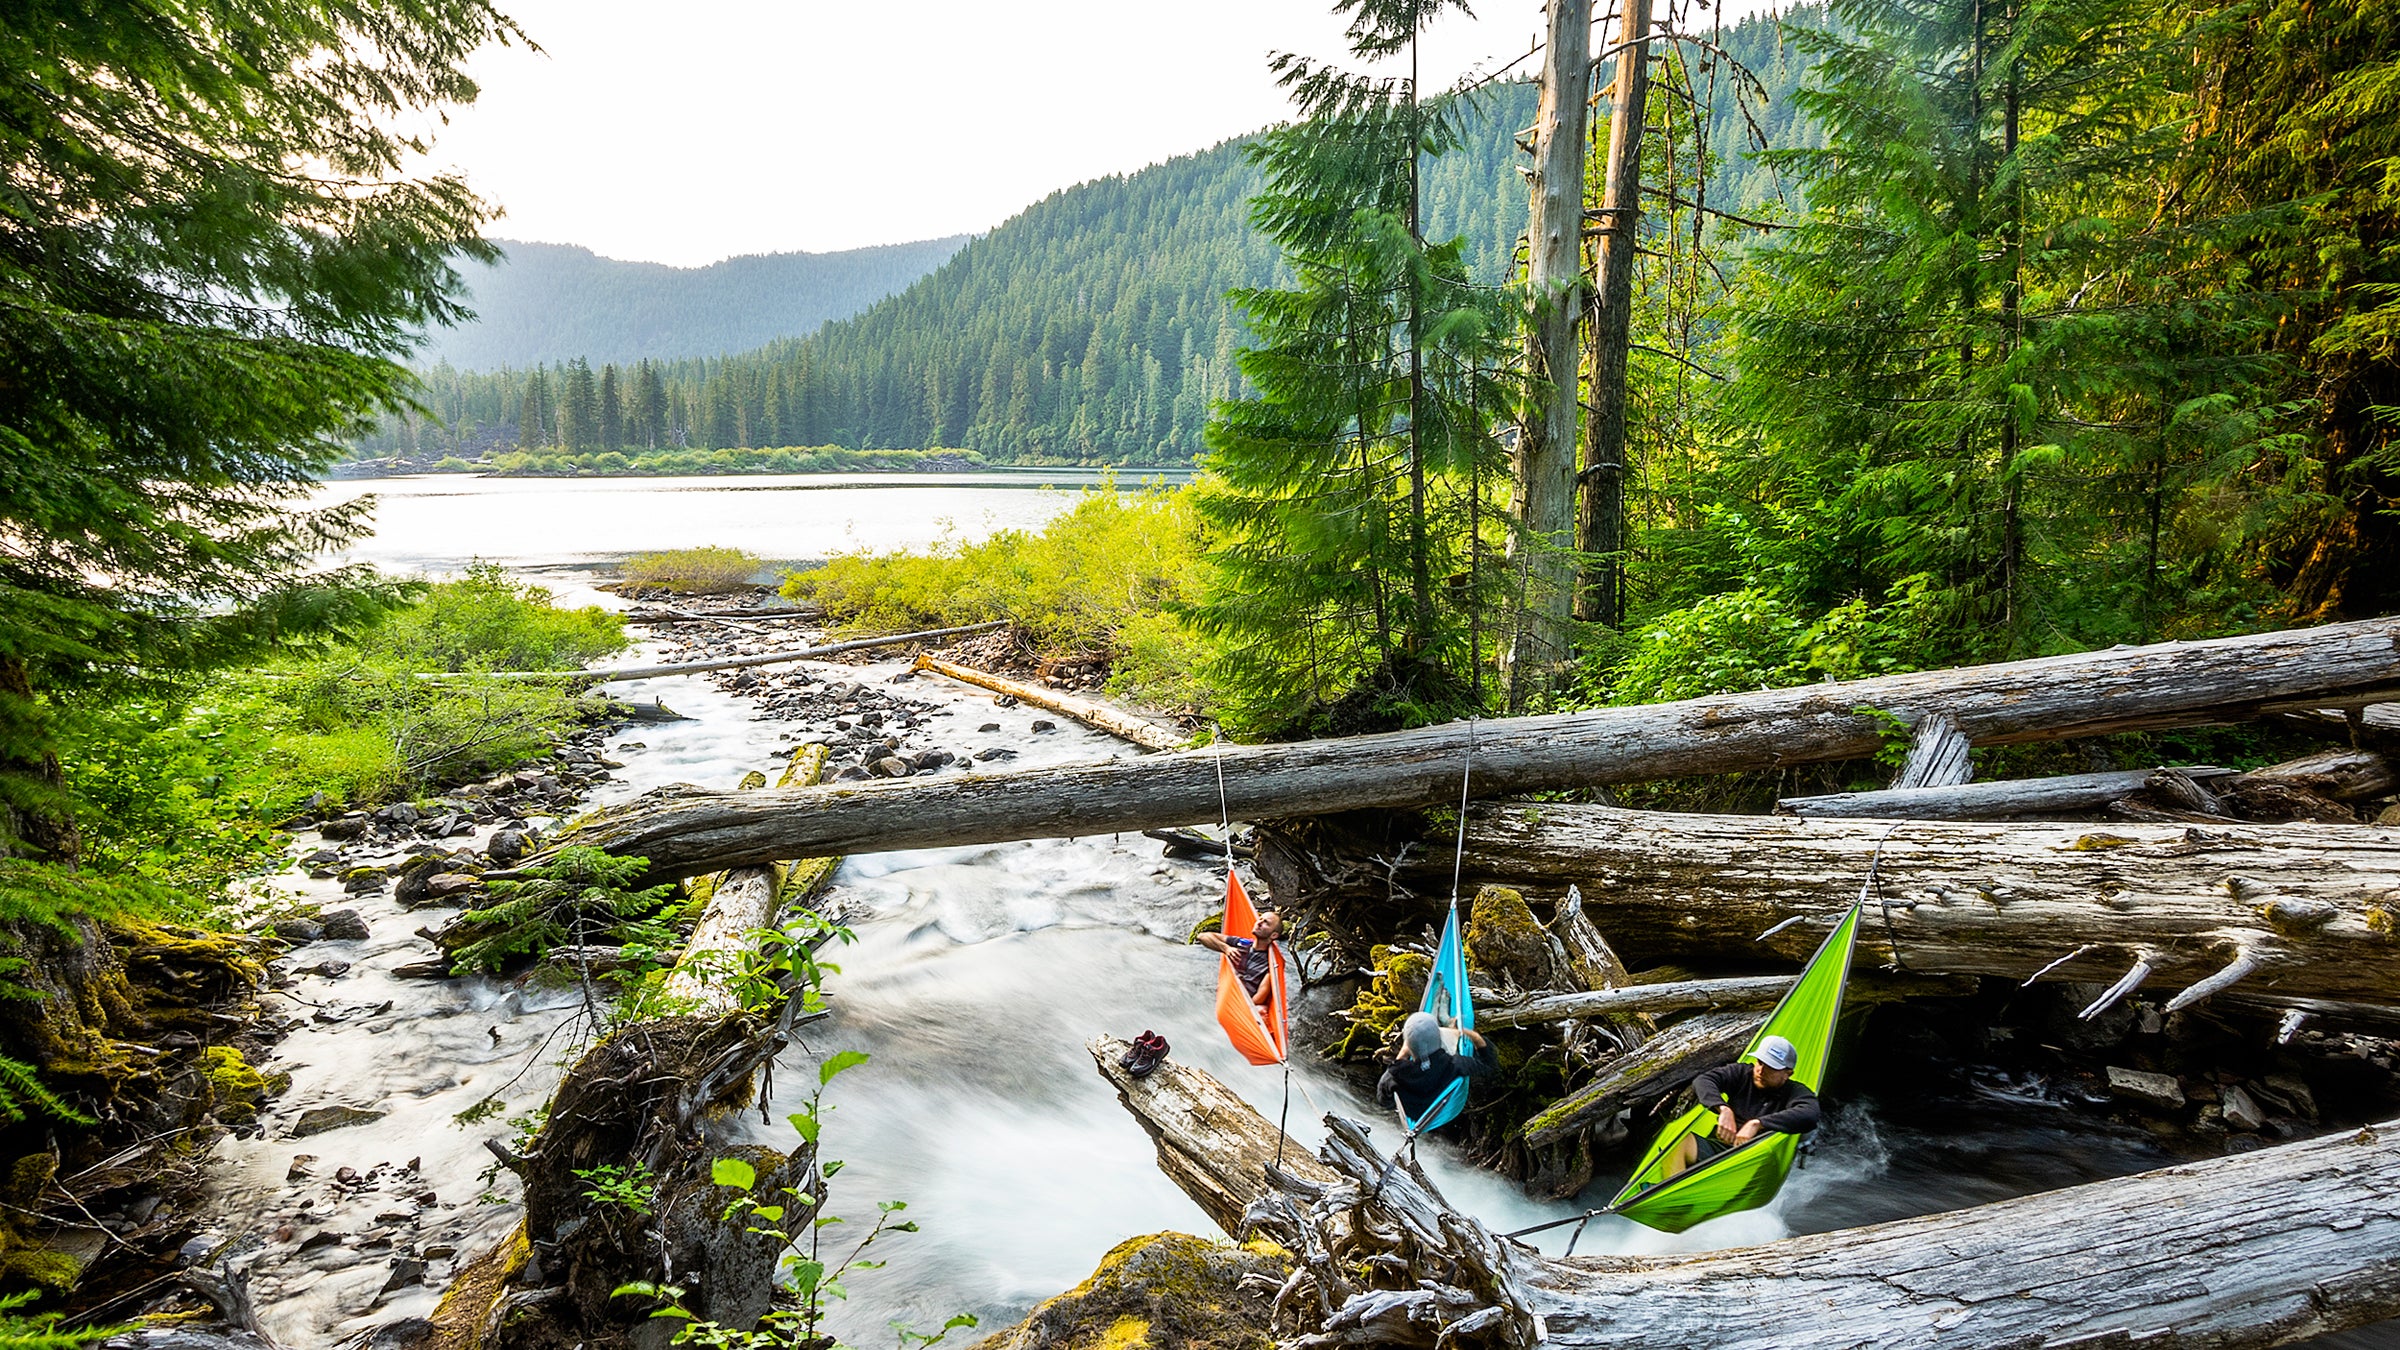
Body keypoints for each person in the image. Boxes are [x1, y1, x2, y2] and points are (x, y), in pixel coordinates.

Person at [1665, 1034, 1820, 1178]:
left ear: (1788, 1073)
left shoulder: (1795, 1092)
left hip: (1755, 1164)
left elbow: (1809, 1115)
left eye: (1771, 1067)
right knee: (1675, 1142)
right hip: (1721, 1151)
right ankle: (1672, 1200)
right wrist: (1723, 1109)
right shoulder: (1742, 1073)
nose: (1761, 1070)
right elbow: (1703, 1080)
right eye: (1760, 1062)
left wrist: (1757, 1124)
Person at [1376, 1011, 1491, 1125]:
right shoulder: (1455, 1064)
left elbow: (1383, 1100)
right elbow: (1488, 1064)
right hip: (1442, 1112)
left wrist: (1402, 1055)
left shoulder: (1397, 1074)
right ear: (1439, 1039)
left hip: (1415, 1117)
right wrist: (1472, 1035)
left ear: (1409, 1047)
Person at [1196, 908, 1283, 1010]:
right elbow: (1202, 936)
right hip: (1225, 994)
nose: (1259, 923)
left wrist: (1241, 1010)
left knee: (1262, 1009)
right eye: (1260, 919)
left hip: (1241, 1005)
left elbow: (1259, 997)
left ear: (1274, 935)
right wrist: (1226, 948)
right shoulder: (1241, 943)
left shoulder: (1270, 962)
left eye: (1266, 923)